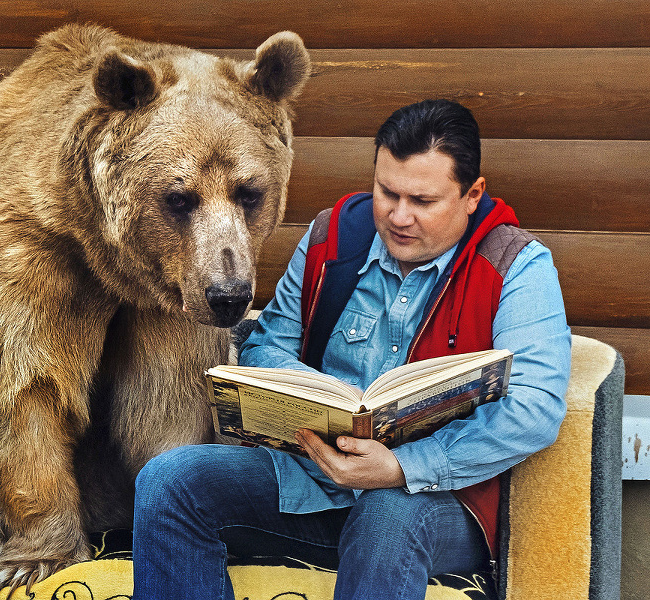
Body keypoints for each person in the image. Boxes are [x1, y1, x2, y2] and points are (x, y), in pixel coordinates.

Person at [131, 99, 571, 600]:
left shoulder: (518, 265)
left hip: (432, 499)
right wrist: (316, 392)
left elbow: (534, 409)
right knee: (171, 481)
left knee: (386, 514)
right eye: (388, 192)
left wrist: (403, 467)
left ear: (472, 195)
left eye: (423, 201)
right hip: (311, 475)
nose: (399, 216)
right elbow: (268, 345)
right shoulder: (332, 237)